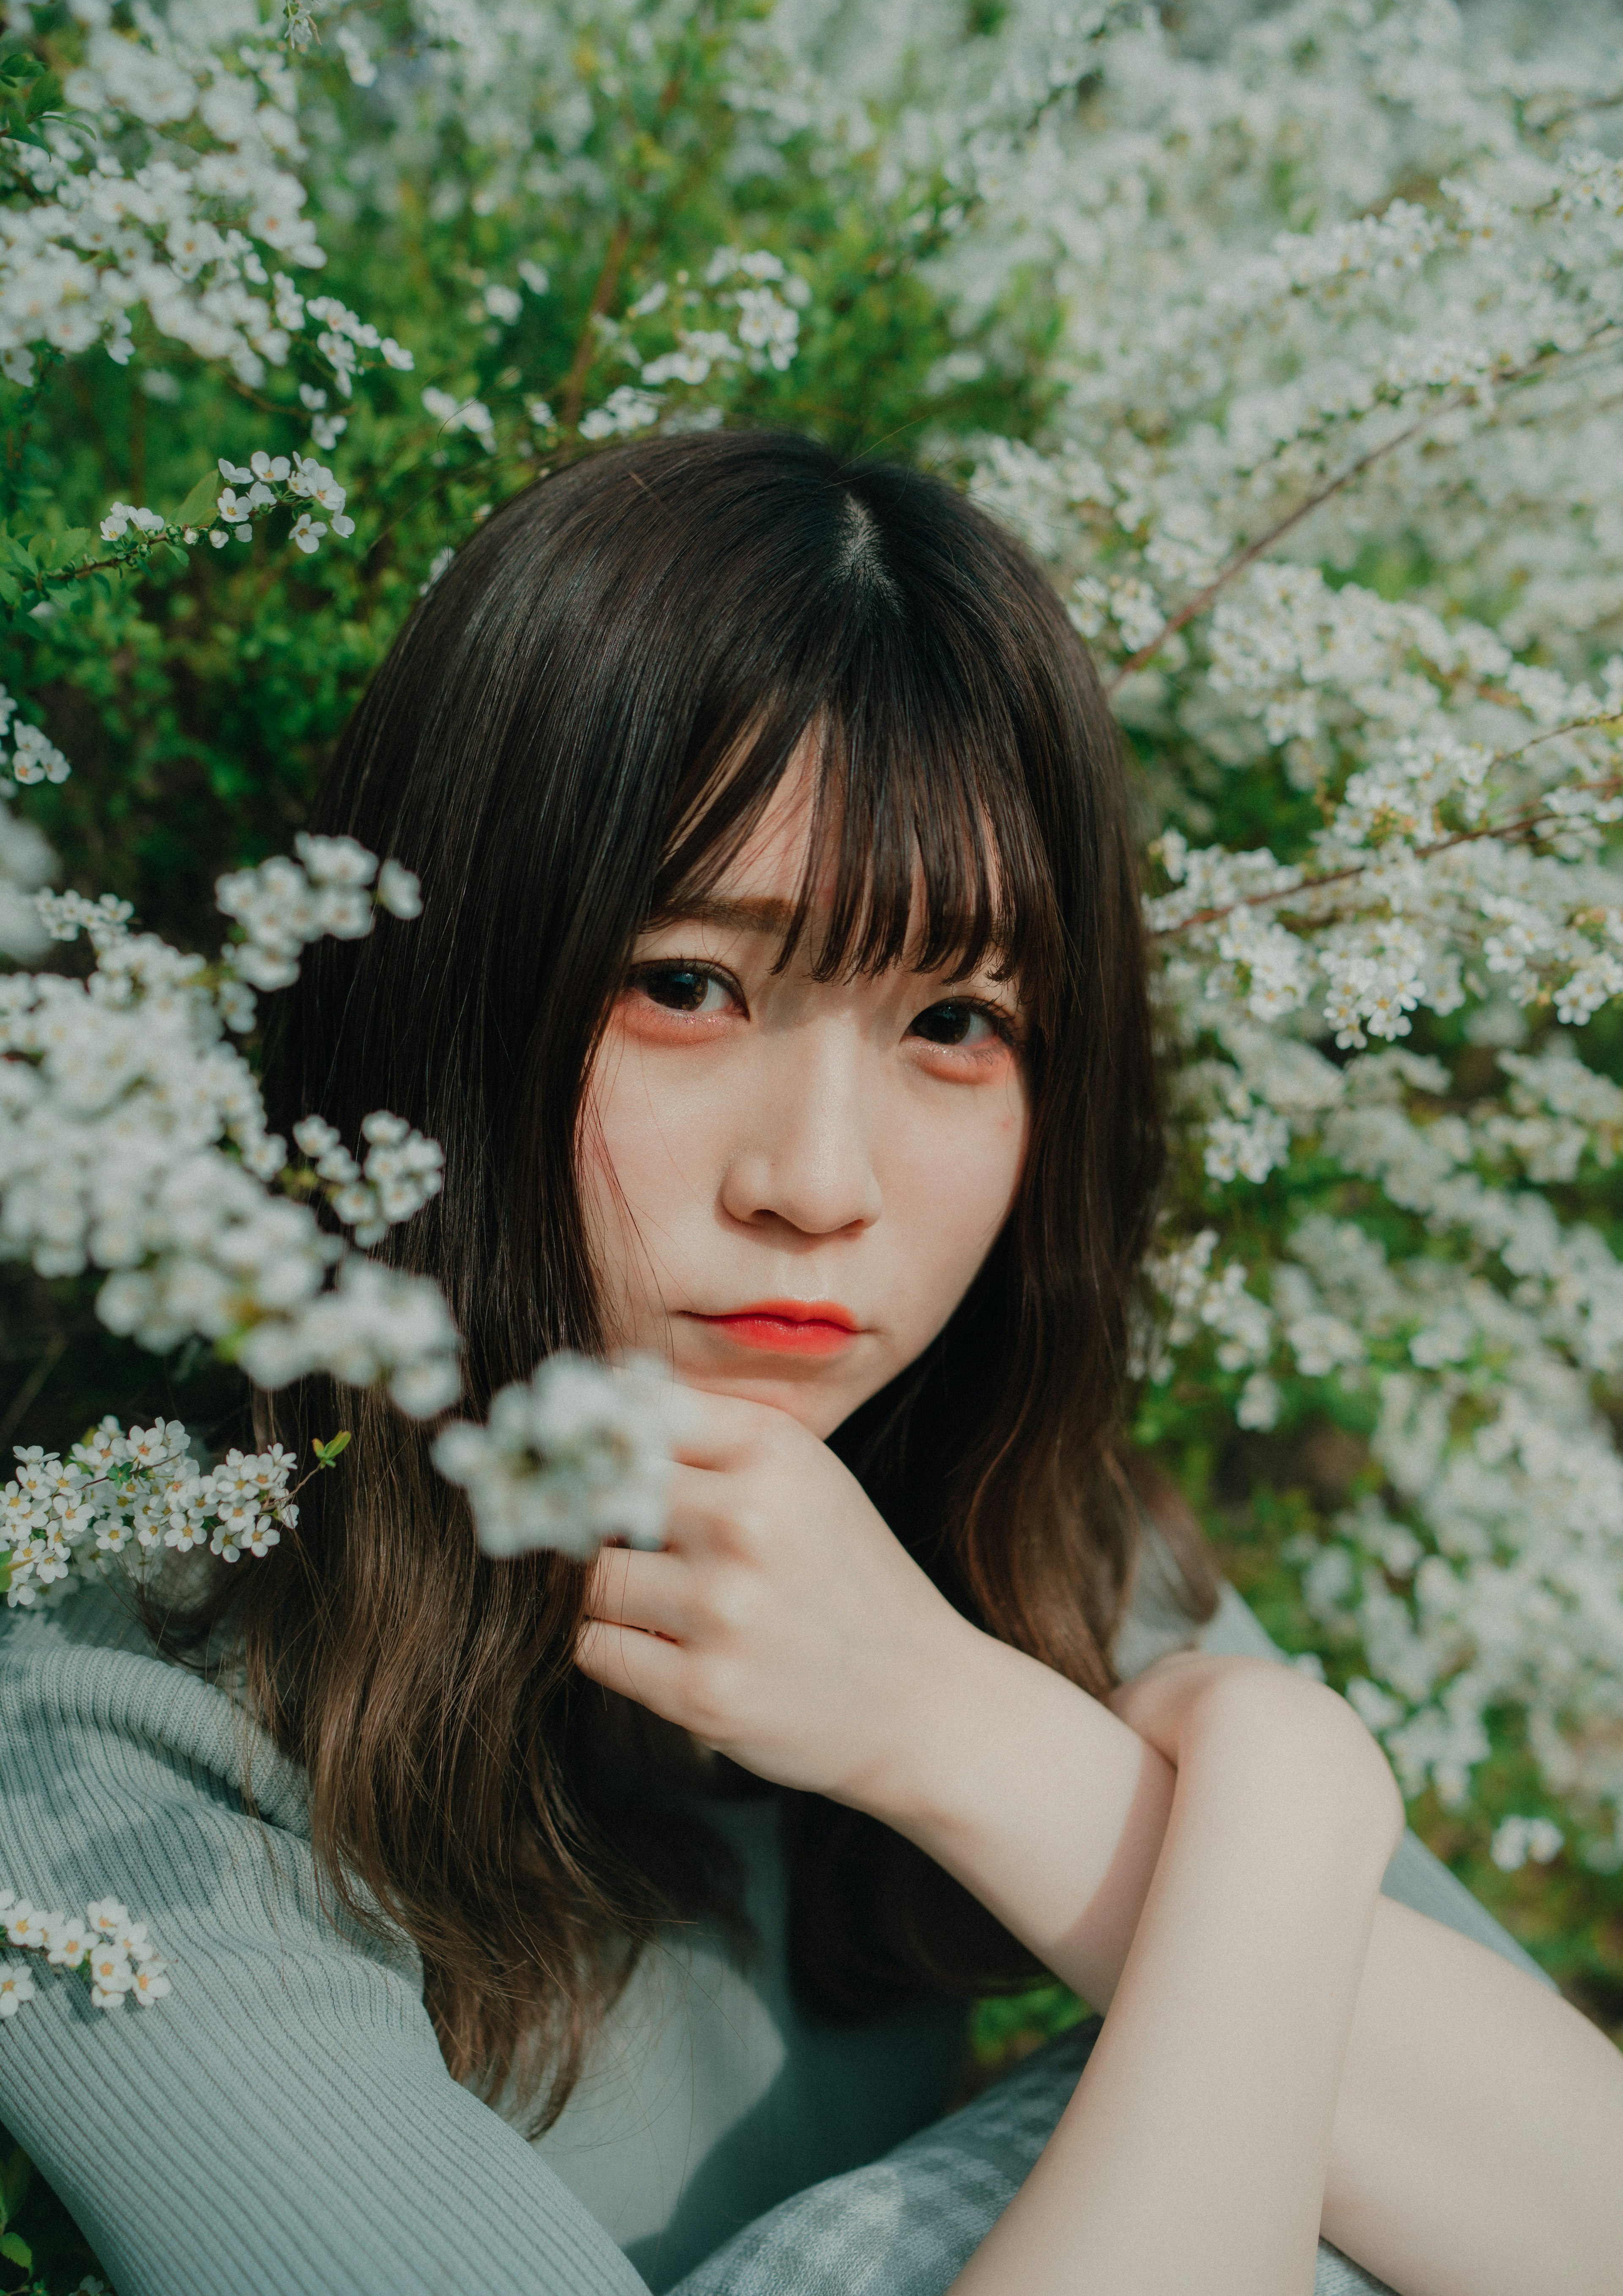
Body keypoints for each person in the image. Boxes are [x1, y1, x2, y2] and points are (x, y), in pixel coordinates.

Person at [0, 430, 1619, 2296]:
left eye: (954, 1020)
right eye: (684, 984)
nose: (818, 1187)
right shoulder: (122, 1747)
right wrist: (1276, 1852)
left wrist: (1003, 1736)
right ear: (445, 996)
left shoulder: (1007, 1546)